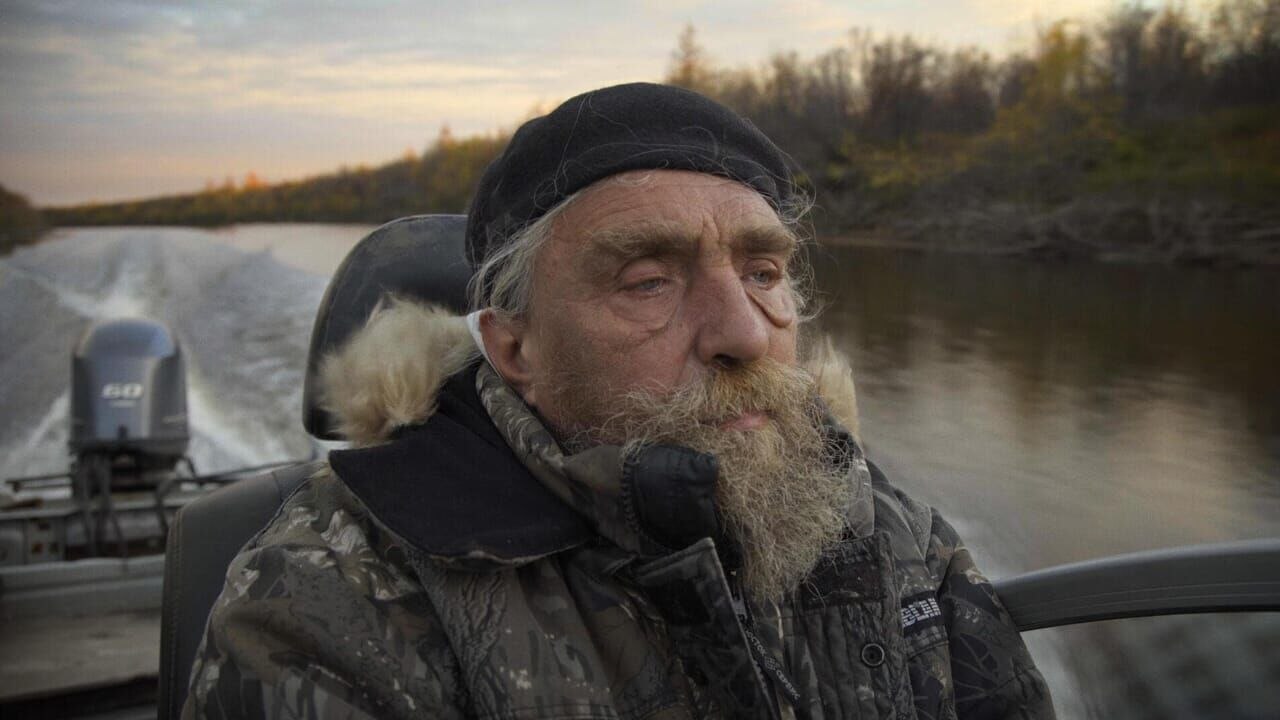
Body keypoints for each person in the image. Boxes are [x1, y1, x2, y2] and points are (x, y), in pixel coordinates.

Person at [184, 82, 1054, 719]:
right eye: (647, 281)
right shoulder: (331, 602)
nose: (744, 335)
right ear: (512, 346)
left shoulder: (876, 520)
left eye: (762, 273)